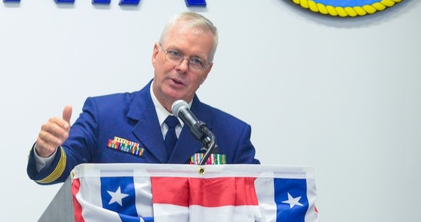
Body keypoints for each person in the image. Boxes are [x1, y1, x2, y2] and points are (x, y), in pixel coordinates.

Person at [27, 12, 258, 186]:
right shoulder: (104, 116)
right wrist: (46, 153)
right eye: (175, 53)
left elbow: (261, 200)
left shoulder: (231, 135)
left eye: (196, 61)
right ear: (156, 54)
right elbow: (62, 169)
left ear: (207, 72)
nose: (182, 67)